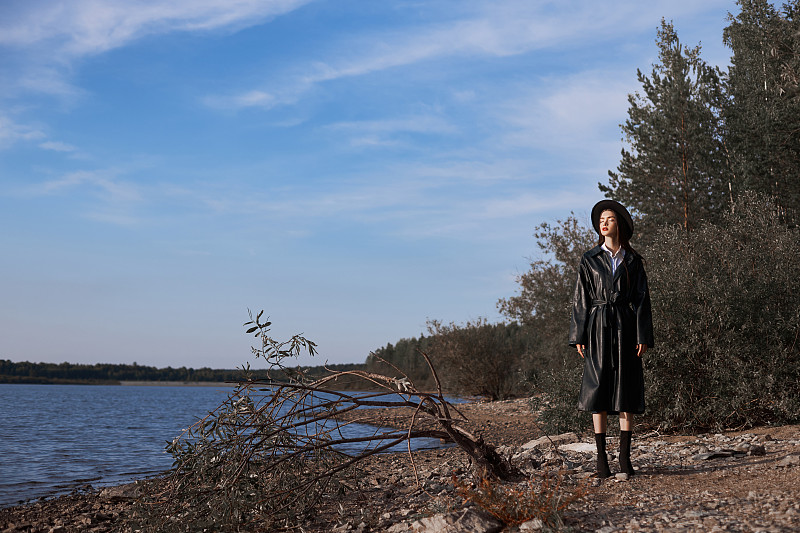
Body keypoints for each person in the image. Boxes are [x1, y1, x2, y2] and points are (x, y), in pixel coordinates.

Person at [569, 199, 654, 478]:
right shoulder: (589, 258)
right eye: (601, 220)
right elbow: (581, 299)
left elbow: (642, 300)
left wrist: (643, 334)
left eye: (609, 219)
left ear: (619, 224)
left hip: (626, 326)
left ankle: (626, 460)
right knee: (599, 388)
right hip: (597, 326)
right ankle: (602, 461)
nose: (603, 223)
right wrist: (578, 334)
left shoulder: (633, 261)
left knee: (625, 387)